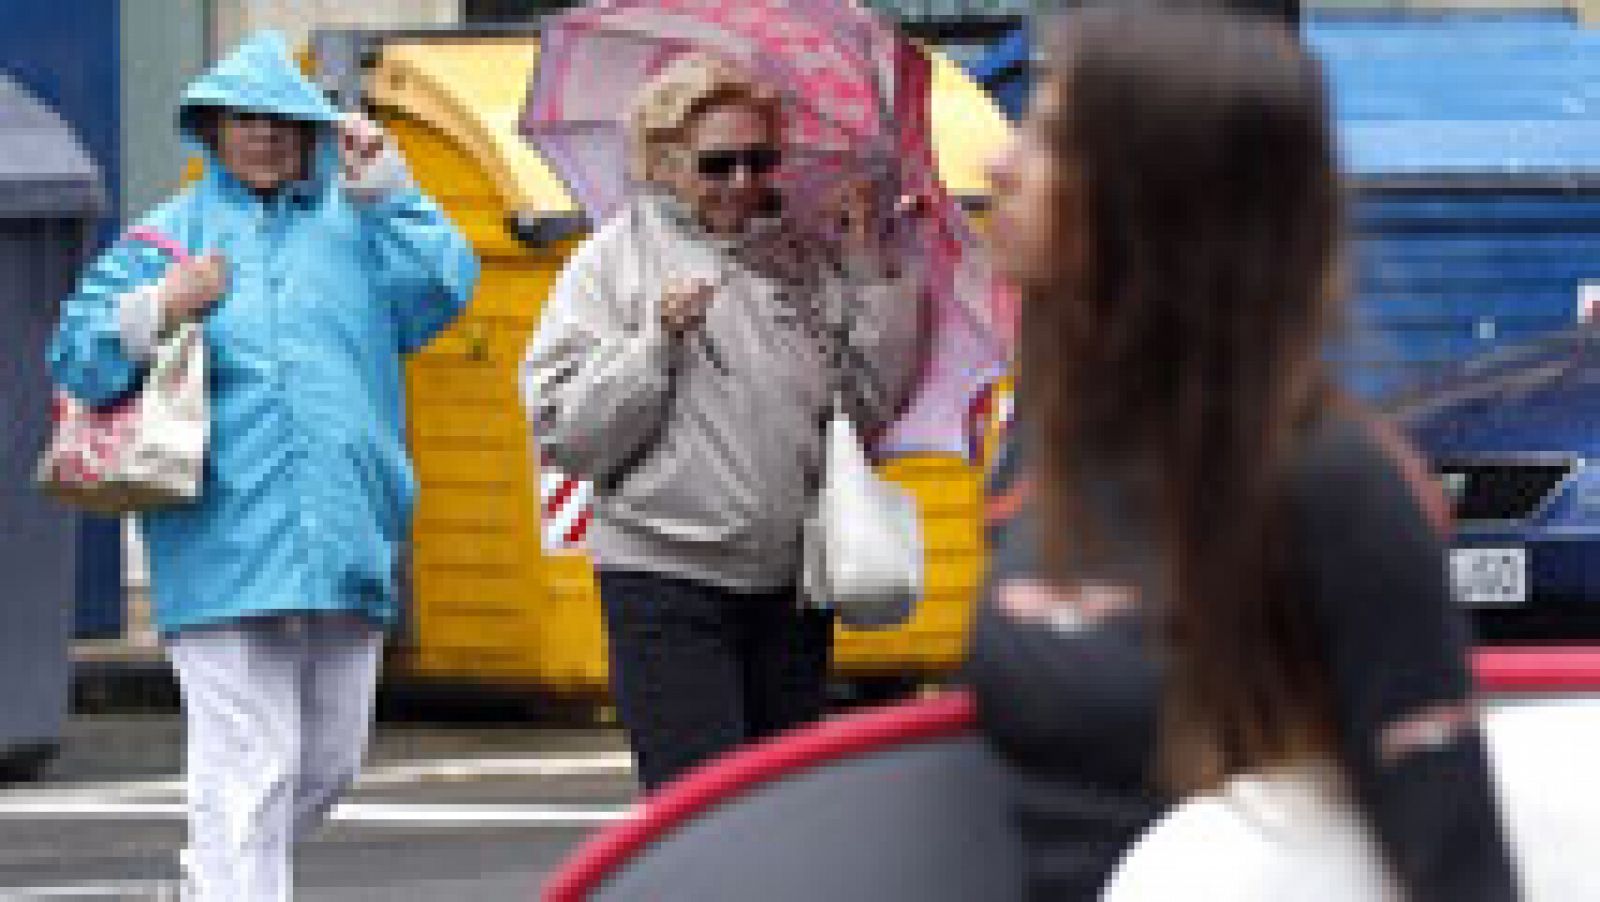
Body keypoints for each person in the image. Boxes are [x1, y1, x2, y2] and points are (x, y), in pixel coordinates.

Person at [967, 6, 1519, 900]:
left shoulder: (1340, 487)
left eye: (1052, 139)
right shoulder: (1043, 448)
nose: (1001, 163)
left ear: (1159, 193)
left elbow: (1456, 868)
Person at [47, 32, 478, 902]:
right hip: (217, 536)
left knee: (326, 763)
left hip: (347, 532)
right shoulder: (168, 239)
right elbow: (78, 357)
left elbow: (445, 286)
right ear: (211, 128)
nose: (268, 137)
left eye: (287, 121)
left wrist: (392, 188)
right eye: (247, 120)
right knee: (251, 768)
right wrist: (160, 305)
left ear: (315, 131)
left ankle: (212, 884)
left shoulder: (360, 223)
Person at [521, 55, 920, 792]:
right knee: (702, 816)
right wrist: (655, 347)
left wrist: (867, 272)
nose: (743, 182)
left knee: (778, 820)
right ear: (665, 164)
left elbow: (868, 406)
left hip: (791, 586)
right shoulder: (612, 264)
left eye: (761, 160)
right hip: (667, 581)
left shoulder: (802, 261)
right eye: (718, 164)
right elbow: (567, 433)